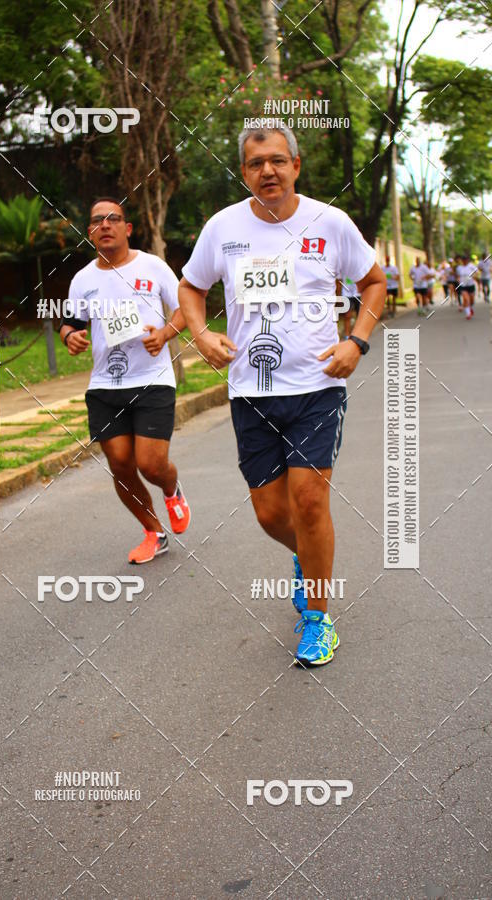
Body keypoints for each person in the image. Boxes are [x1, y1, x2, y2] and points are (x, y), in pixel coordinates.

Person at [178, 124, 386, 666]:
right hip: (252, 391)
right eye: (254, 164)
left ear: (296, 165)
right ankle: (305, 558)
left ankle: (318, 619)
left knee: (310, 502)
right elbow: (191, 287)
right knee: (271, 514)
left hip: (317, 388)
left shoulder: (330, 222)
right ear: (244, 173)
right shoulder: (223, 227)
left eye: (276, 160)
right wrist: (200, 334)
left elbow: (374, 282)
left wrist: (357, 341)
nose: (266, 171)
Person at [60, 197, 191, 563]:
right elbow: (71, 322)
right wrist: (69, 335)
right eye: (97, 220)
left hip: (153, 378)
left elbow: (185, 309)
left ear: (127, 228)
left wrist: (165, 334)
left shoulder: (153, 266)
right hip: (105, 385)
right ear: (90, 231)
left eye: (113, 218)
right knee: (119, 463)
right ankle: (153, 532)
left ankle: (170, 488)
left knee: (151, 464)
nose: (105, 224)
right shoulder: (83, 279)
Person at [455, 254, 477, 319]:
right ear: (462, 260)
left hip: (470, 285)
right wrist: (458, 279)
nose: (464, 261)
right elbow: (458, 276)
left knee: (472, 300)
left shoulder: (471, 266)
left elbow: (476, 273)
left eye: (465, 259)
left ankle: (470, 307)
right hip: (463, 285)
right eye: (463, 260)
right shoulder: (459, 268)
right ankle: (468, 314)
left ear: (467, 260)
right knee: (466, 299)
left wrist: (474, 276)